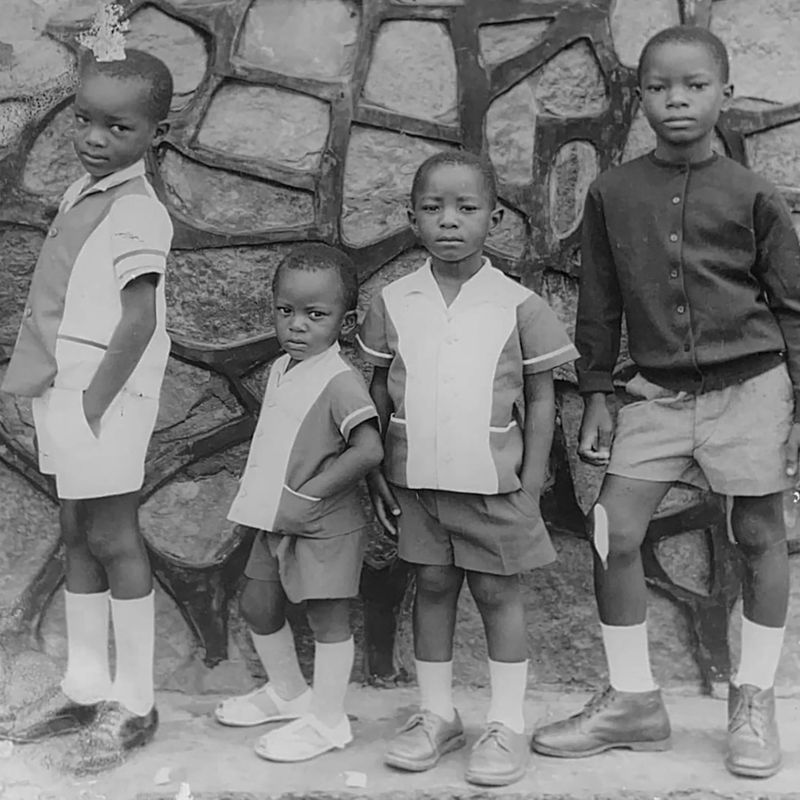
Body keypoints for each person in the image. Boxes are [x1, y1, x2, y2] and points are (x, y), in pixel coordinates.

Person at [531, 26, 800, 779]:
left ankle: (754, 699)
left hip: (751, 389)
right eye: (658, 87)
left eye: (694, 85)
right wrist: (593, 392)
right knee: (614, 528)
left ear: (725, 95)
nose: (676, 99)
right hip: (654, 394)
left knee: (759, 535)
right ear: (639, 96)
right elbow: (601, 301)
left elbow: (793, 305)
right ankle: (633, 702)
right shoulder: (613, 191)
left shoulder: (752, 194)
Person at [358, 151, 578, 786]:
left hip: (495, 484)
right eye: (432, 208)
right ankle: (436, 714)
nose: (448, 221)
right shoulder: (393, 301)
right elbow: (377, 391)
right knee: (431, 588)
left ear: (496, 218)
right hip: (416, 482)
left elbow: (541, 399)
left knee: (496, 593)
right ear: (411, 219)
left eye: (466, 208)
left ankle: (505, 722)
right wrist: (375, 468)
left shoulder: (518, 305)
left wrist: (532, 481)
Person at [0, 49, 175, 774]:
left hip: (103, 393)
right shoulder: (87, 190)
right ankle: (83, 682)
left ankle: (133, 701)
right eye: (84, 120)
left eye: (118, 127)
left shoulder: (137, 210)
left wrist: (95, 406)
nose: (96, 138)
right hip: (69, 386)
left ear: (154, 138)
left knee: (112, 532)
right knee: (77, 527)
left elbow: (138, 319)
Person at [216, 243, 383, 763]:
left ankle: (329, 722)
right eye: (285, 312)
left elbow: (369, 448)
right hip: (277, 517)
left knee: (329, 621)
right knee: (257, 604)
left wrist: (309, 493)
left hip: (323, 524)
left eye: (316, 315)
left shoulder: (340, 381)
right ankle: (288, 692)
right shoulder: (282, 369)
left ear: (345, 320)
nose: (297, 325)